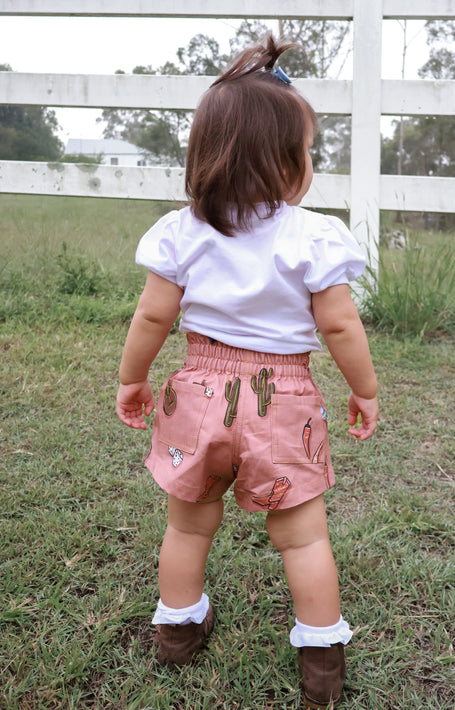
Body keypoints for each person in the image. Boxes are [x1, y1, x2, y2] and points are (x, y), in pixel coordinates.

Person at [116, 33, 378, 709]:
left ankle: (178, 629)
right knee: (302, 535)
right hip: (282, 396)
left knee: (187, 525)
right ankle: (321, 656)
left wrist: (131, 379)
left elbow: (152, 316)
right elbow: (339, 325)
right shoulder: (311, 235)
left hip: (196, 392)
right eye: (308, 151)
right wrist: (364, 388)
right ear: (285, 164)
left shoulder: (181, 232)